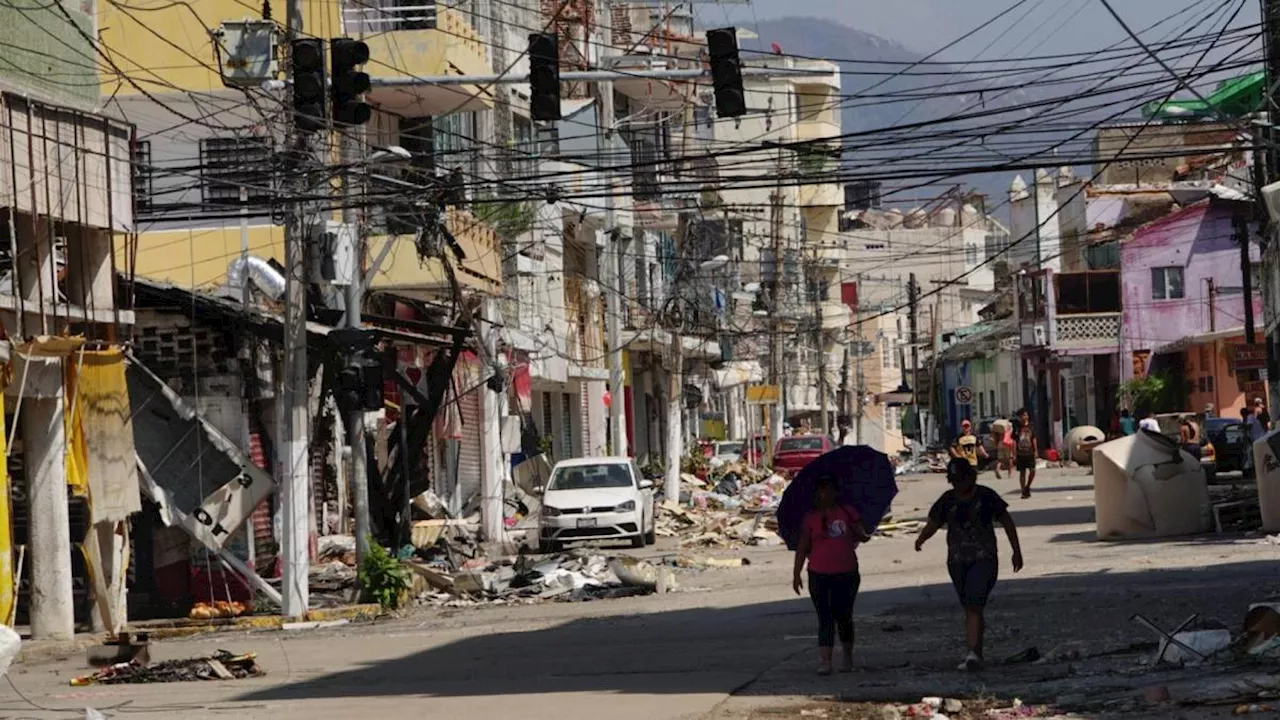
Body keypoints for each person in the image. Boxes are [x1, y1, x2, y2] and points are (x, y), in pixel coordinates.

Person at [915, 458, 1024, 671]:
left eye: (960, 480)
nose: (957, 485)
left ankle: (973, 652)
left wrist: (1016, 551)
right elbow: (933, 524)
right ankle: (976, 651)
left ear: (970, 477)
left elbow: (1007, 522)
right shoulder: (947, 500)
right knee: (970, 606)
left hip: (984, 559)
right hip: (957, 561)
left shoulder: (986, 497)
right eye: (953, 481)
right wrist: (921, 539)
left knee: (974, 603)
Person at [792, 476, 871, 676]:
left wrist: (857, 530)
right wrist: (796, 573)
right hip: (819, 574)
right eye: (821, 490)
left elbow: (864, 535)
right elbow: (802, 547)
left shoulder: (847, 512)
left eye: (829, 489)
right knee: (825, 618)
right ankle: (825, 661)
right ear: (816, 494)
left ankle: (847, 658)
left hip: (846, 573)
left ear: (836, 492)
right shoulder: (811, 518)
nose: (825, 494)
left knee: (844, 616)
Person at [1014, 409, 1038, 498]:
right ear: (1020, 417)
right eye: (1023, 415)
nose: (1025, 417)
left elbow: (1034, 438)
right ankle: (1023, 491)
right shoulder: (1017, 427)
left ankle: (1027, 486)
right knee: (1022, 473)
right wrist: (1014, 453)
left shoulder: (1031, 426)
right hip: (1020, 453)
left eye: (1026, 415)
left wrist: (1036, 451)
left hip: (1030, 452)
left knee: (1033, 471)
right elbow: (1014, 441)